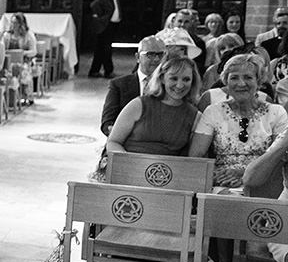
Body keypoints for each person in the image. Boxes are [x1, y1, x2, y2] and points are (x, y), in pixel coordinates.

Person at [189, 53, 288, 188]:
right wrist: (218, 175)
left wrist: (243, 173)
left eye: (248, 77)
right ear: (226, 81)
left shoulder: (276, 112)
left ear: (259, 81)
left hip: (264, 184)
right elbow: (196, 157)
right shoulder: (213, 111)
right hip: (221, 182)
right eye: (234, 78)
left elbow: (279, 157)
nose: (241, 83)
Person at [106, 57, 201, 157]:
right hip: (129, 167)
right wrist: (127, 162)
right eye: (174, 78)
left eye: (186, 79)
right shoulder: (138, 105)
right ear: (162, 78)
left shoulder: (195, 115)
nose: (179, 85)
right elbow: (113, 142)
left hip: (170, 170)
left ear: (193, 82)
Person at [100, 35, 165, 135]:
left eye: (160, 55)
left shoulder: (170, 86)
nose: (156, 59)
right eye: (150, 54)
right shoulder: (118, 85)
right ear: (138, 57)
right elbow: (107, 122)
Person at [88, 0, 123, 77]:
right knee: (106, 49)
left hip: (111, 25)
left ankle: (94, 70)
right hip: (105, 25)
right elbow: (94, 5)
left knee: (101, 48)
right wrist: (99, 17)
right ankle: (108, 70)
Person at [2, 12, 38, 104]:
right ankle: (10, 97)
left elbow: (34, 51)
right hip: (9, 61)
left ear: (21, 24)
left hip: (24, 61)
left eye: (16, 23)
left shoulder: (28, 35)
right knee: (9, 70)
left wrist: (22, 53)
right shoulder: (7, 35)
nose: (14, 25)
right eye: (12, 23)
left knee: (23, 70)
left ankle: (26, 95)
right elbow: (2, 49)